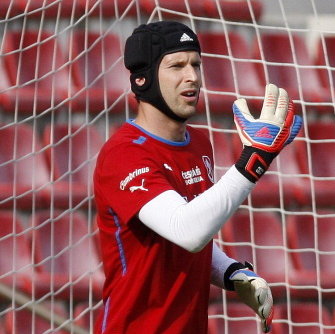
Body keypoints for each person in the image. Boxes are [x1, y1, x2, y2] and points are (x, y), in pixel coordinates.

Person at [93, 20, 302, 333]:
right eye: (177, 65)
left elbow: (188, 236)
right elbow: (186, 230)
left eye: (196, 64)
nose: (192, 76)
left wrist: (231, 272)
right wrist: (254, 160)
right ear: (142, 79)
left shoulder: (199, 144)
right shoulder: (123, 154)